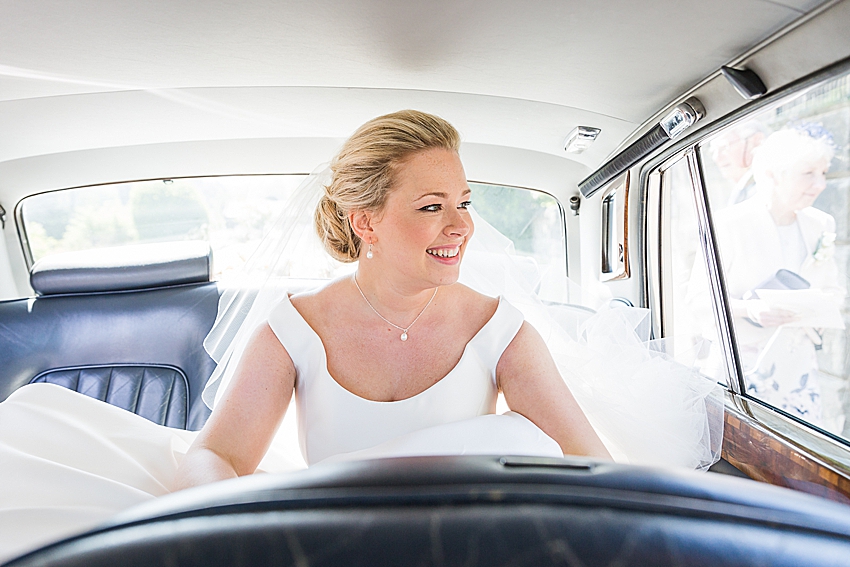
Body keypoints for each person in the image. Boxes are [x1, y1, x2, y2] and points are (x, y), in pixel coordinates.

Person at [0, 110, 721, 561]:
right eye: (432, 205)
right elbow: (217, 452)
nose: (463, 225)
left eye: (464, 203)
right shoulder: (295, 328)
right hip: (336, 541)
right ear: (365, 222)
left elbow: (587, 464)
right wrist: (221, 519)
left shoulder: (500, 330)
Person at [704, 126, 843, 425]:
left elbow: (832, 289)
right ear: (773, 174)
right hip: (745, 364)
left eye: (823, 173)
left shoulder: (822, 224)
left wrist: (819, 307)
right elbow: (699, 300)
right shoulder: (728, 224)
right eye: (808, 173)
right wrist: (750, 308)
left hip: (799, 367)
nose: (820, 184)